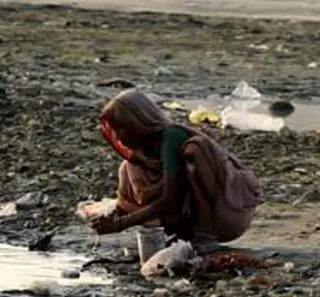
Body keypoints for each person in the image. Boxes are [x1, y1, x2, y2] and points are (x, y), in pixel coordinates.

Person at [87, 89, 263, 247]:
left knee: (196, 152)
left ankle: (203, 234)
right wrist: (114, 215)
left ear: (138, 122)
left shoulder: (171, 138)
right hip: (178, 213)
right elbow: (135, 198)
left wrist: (120, 224)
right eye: (114, 130)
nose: (118, 136)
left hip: (226, 214)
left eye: (122, 128)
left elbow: (170, 198)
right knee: (128, 166)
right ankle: (181, 231)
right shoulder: (142, 154)